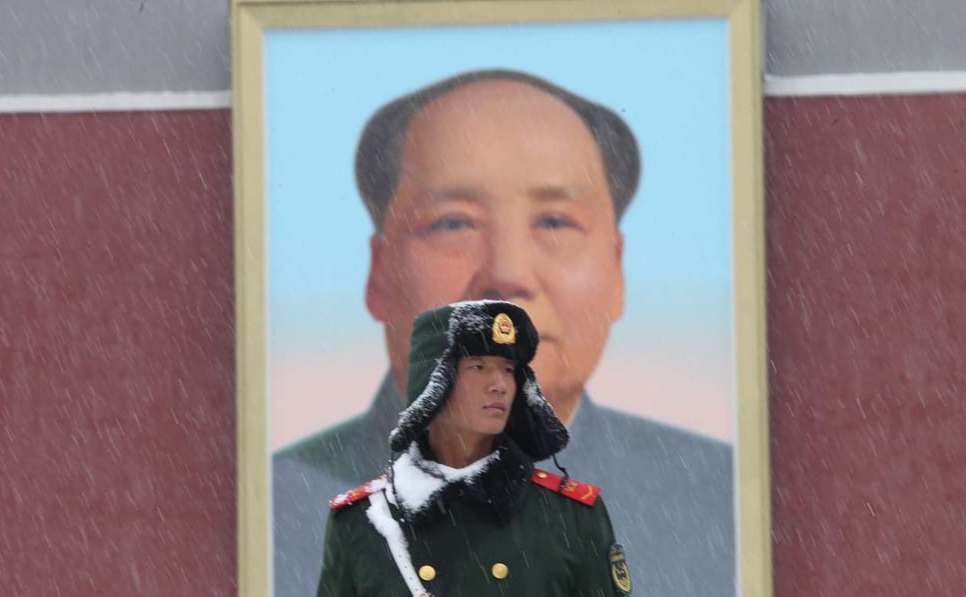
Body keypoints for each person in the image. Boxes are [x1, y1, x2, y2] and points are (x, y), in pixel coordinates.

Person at [274, 69, 734, 596]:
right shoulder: (307, 505)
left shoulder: (708, 493)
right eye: (453, 223)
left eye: (555, 222)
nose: (507, 273)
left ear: (617, 269)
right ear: (378, 272)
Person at [317, 300, 632, 596]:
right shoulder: (363, 522)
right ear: (433, 383)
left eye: (508, 369)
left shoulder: (569, 517)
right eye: (478, 367)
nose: (500, 384)